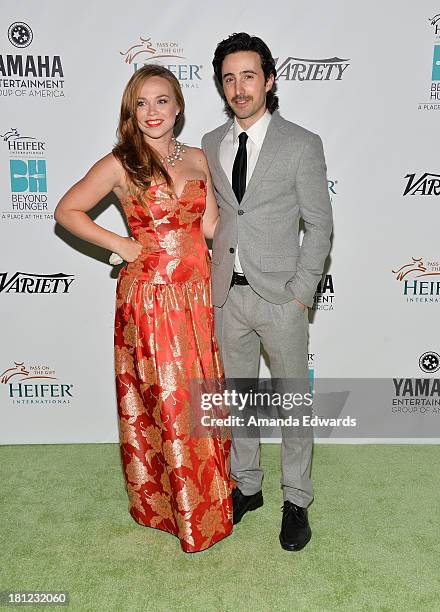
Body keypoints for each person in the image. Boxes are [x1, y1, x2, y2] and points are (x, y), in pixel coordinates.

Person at [54, 65, 232, 553]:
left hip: (197, 295)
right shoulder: (119, 162)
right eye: (142, 103)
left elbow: (212, 228)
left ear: (178, 107)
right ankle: (172, 508)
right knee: (168, 401)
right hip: (150, 298)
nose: (152, 112)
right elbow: (66, 211)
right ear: (131, 112)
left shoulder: (199, 157)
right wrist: (122, 245)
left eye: (162, 101)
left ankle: (211, 498)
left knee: (201, 399)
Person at [201, 33, 333, 551]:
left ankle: (297, 498)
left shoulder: (302, 143)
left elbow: (319, 226)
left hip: (281, 297)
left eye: (249, 75)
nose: (239, 87)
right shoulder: (212, 143)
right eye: (229, 77)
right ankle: (248, 486)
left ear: (269, 80)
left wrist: (302, 292)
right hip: (226, 295)